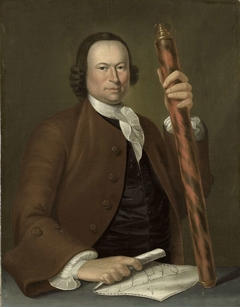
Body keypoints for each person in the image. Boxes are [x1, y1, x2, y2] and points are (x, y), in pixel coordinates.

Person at [3, 32, 213, 297]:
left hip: (162, 279)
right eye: (103, 68)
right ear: (84, 74)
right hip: (92, 288)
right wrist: (82, 265)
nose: (114, 78)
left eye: (121, 67)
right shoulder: (55, 131)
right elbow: (28, 216)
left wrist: (182, 121)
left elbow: (187, 199)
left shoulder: (145, 127)